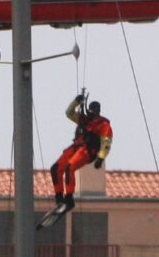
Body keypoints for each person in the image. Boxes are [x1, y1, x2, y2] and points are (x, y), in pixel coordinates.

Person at [43, 91, 112, 225]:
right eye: (91, 109)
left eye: (95, 110)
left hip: (88, 150)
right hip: (76, 146)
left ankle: (69, 199)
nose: (92, 112)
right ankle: (59, 198)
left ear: (99, 111)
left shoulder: (103, 124)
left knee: (70, 167)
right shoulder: (84, 120)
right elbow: (69, 113)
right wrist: (76, 101)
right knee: (55, 168)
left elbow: (106, 142)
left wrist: (101, 158)